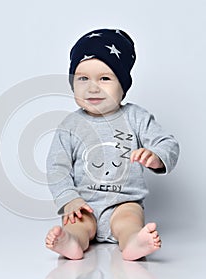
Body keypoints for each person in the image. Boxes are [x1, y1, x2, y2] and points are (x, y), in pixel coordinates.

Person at [45, 28, 179, 261]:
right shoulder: (71, 124)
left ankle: (134, 242)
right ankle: (72, 242)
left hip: (124, 202)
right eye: (83, 78)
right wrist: (69, 199)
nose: (93, 87)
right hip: (83, 204)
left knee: (128, 221)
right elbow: (57, 167)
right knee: (78, 225)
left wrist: (156, 155)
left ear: (123, 84)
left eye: (105, 78)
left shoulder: (136, 117)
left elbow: (167, 143)